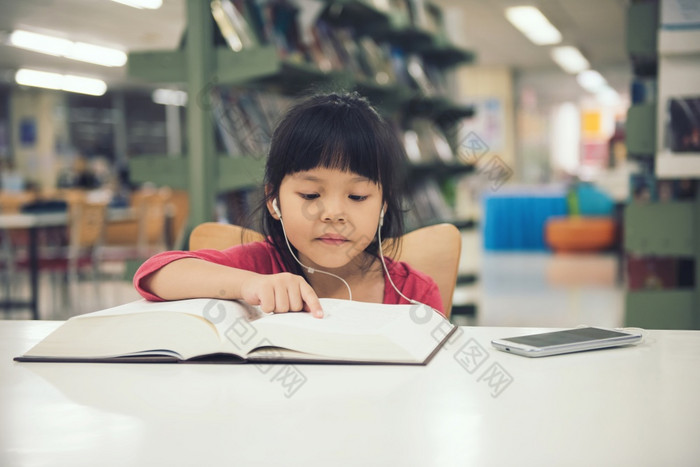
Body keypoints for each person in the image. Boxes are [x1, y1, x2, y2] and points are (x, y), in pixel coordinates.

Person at [133, 92, 443, 318]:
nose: (333, 214)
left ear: (383, 206)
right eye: (310, 195)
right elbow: (153, 274)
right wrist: (249, 285)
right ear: (273, 200)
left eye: (358, 196)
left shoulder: (414, 293)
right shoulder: (261, 266)